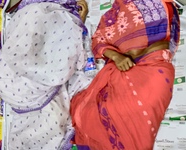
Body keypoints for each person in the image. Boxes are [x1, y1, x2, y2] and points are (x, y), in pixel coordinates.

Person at [70, 0, 180, 149]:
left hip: (154, 68)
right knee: (90, 114)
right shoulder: (112, 13)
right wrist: (116, 56)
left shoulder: (162, 3)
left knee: (135, 131)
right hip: (120, 68)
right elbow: (98, 41)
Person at [0, 0, 90, 149]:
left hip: (21, 90)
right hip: (18, 88)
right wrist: (77, 22)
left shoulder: (40, 15)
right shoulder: (36, 15)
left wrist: (76, 22)